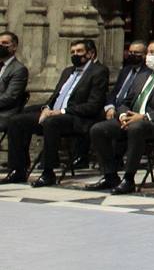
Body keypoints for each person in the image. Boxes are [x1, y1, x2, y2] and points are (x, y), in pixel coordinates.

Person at [86, 38, 154, 193]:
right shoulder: (143, 75)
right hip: (131, 119)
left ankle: (129, 179)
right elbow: (126, 101)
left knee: (137, 127)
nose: (148, 56)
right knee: (98, 129)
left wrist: (144, 117)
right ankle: (110, 175)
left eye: (152, 53)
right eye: (148, 52)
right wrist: (122, 115)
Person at [4, 38, 109, 186]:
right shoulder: (68, 71)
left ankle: (48, 171)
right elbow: (55, 97)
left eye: (79, 51)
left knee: (51, 122)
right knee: (16, 120)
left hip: (77, 117)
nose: (75, 55)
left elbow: (93, 105)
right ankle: (18, 169)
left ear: (90, 54)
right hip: (55, 112)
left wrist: (61, 111)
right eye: (72, 52)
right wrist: (47, 108)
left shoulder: (99, 72)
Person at [105, 40, 147, 116]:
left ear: (144, 55)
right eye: (130, 52)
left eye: (136, 52)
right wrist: (110, 107)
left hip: (127, 111)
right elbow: (114, 92)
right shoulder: (125, 70)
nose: (132, 54)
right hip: (113, 108)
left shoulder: (147, 74)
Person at [0, 31, 30, 133]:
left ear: (14, 47)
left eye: (4, 43)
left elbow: (10, 97)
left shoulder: (19, 69)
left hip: (4, 114)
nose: (1, 46)